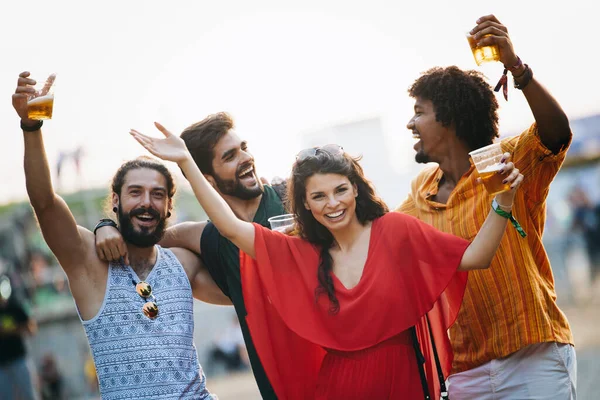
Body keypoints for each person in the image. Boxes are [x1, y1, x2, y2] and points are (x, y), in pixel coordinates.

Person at [129, 120, 523, 399]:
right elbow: (230, 227)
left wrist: (503, 201)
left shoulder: (396, 231)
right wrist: (185, 164)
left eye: (339, 190)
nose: (332, 203)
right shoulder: (303, 253)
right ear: (306, 206)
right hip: (336, 388)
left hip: (402, 382)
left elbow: (477, 256)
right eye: (318, 197)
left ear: (356, 188)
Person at [12, 71, 229, 400]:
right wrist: (32, 125)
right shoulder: (88, 261)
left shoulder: (184, 263)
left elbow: (244, 290)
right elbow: (44, 203)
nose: (146, 201)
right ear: (115, 201)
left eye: (158, 194)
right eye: (135, 192)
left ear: (169, 206)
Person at [396, 14, 576, 399]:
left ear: (450, 121)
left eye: (419, 112)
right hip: (464, 374)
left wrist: (516, 69)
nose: (411, 124)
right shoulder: (419, 194)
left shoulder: (504, 162)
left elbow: (556, 133)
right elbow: (373, 234)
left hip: (535, 356)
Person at [96, 112, 286, 399]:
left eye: (244, 147)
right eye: (231, 155)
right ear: (206, 178)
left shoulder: (293, 197)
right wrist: (106, 225)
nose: (246, 157)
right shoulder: (205, 237)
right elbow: (144, 231)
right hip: (281, 384)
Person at [0, 278, 38, 400]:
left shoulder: (15, 306)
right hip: (1, 363)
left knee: (28, 394)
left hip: (18, 359)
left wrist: (12, 330)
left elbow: (32, 328)